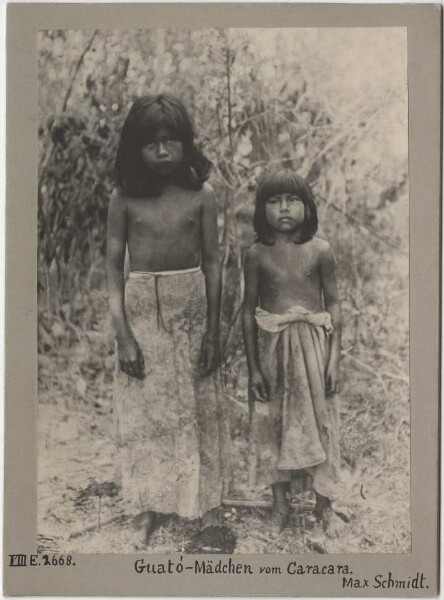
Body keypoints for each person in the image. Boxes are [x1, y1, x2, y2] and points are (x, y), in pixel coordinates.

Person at [106, 93, 231, 547]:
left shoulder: (203, 195)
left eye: (171, 141)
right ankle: (145, 506)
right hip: (142, 311)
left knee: (192, 403)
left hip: (191, 309)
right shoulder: (123, 198)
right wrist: (123, 336)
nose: (162, 152)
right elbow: (112, 272)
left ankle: (195, 500)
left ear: (186, 144)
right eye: (151, 143)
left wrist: (214, 331)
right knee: (145, 410)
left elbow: (214, 265)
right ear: (133, 148)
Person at [242, 168, 345, 536]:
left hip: (313, 351)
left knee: (320, 422)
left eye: (292, 200)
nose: (283, 208)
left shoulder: (320, 251)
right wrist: (254, 368)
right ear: (261, 209)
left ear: (307, 206)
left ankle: (325, 505)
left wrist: (333, 359)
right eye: (274, 201)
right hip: (272, 351)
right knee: (272, 424)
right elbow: (247, 311)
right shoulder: (256, 254)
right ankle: (280, 506)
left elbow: (333, 305)